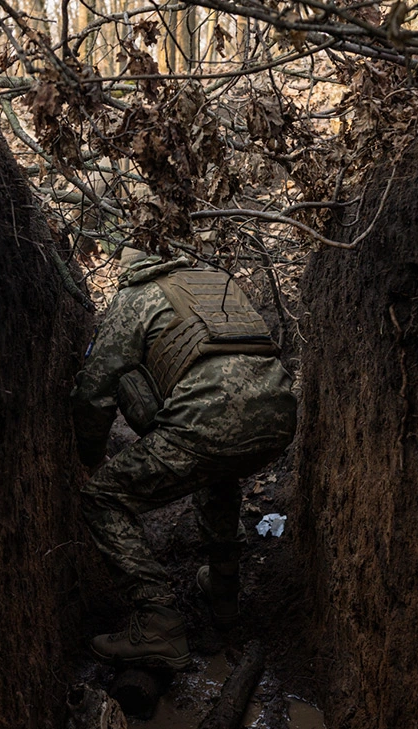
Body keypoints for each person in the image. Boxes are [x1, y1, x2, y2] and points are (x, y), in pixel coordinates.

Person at [70, 245, 297, 669]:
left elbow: (94, 389)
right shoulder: (217, 281)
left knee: (101, 498)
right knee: (218, 467)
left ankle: (157, 621)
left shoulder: (134, 297)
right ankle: (224, 591)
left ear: (127, 266)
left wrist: (90, 455)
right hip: (279, 416)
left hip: (207, 422)